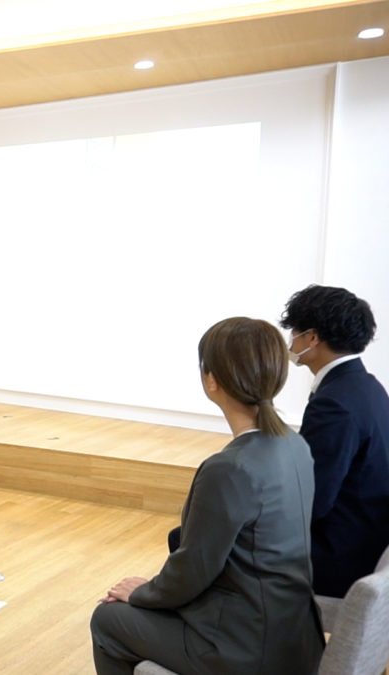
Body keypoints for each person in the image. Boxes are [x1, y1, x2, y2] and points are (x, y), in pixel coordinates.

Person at [90, 317, 324, 675]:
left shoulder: (230, 468)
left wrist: (142, 592)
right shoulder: (295, 445)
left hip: (247, 648)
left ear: (211, 380)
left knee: (107, 619)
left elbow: (193, 570)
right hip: (296, 636)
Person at [280, 284, 389, 597]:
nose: (291, 340)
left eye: (294, 332)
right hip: (367, 539)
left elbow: (312, 502)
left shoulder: (334, 404)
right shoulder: (368, 387)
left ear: (312, 338)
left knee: (196, 539)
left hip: (337, 557)